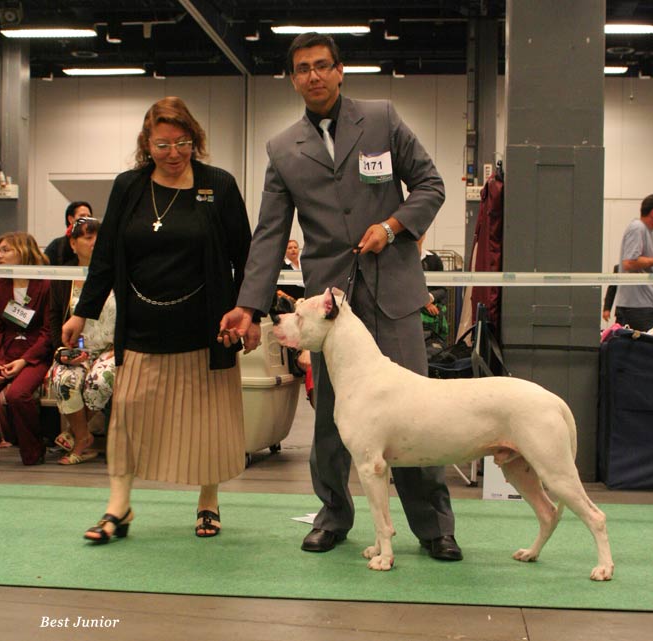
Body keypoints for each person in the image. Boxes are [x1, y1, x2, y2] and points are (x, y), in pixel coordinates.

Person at [219, 33, 461, 561]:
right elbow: (269, 232)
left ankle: (433, 526)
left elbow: (431, 185)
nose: (314, 75)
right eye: (303, 68)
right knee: (331, 416)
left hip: (393, 291)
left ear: (341, 70)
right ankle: (333, 517)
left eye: (323, 65)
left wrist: (394, 225)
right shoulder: (282, 148)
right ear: (293, 78)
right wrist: (250, 304)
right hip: (328, 305)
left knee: (416, 415)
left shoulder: (381, 118)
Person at [61, 96, 252, 543]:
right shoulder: (128, 186)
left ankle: (208, 500)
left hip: (205, 327)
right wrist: (82, 313)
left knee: (207, 420)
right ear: (147, 143)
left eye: (182, 142)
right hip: (143, 327)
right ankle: (118, 509)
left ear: (195, 140)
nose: (173, 153)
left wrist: (250, 313)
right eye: (162, 144)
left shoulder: (217, 185)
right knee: (127, 417)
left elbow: (246, 257)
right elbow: (105, 258)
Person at [0, 232, 52, 465]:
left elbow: (48, 332)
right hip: (2, 352)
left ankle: (34, 449)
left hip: (33, 354)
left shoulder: (46, 285)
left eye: (5, 250)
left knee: (17, 395)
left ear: (23, 252)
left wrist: (24, 360)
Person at [48, 216, 115, 465]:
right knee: (65, 377)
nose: (95, 242)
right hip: (77, 349)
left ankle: (76, 436)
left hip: (112, 349)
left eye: (99, 236)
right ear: (73, 244)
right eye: (88, 237)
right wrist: (62, 350)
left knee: (99, 380)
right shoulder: (63, 275)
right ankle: (84, 436)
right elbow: (54, 319)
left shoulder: (118, 273)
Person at [614, 194, 653, 331]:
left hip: (642, 305)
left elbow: (640, 267)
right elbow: (629, 262)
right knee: (649, 350)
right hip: (636, 309)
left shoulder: (647, 232)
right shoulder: (638, 228)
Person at [45, 201, 93, 266]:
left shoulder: (97, 244)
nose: (87, 219)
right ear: (70, 219)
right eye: (82, 216)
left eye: (89, 216)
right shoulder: (57, 246)